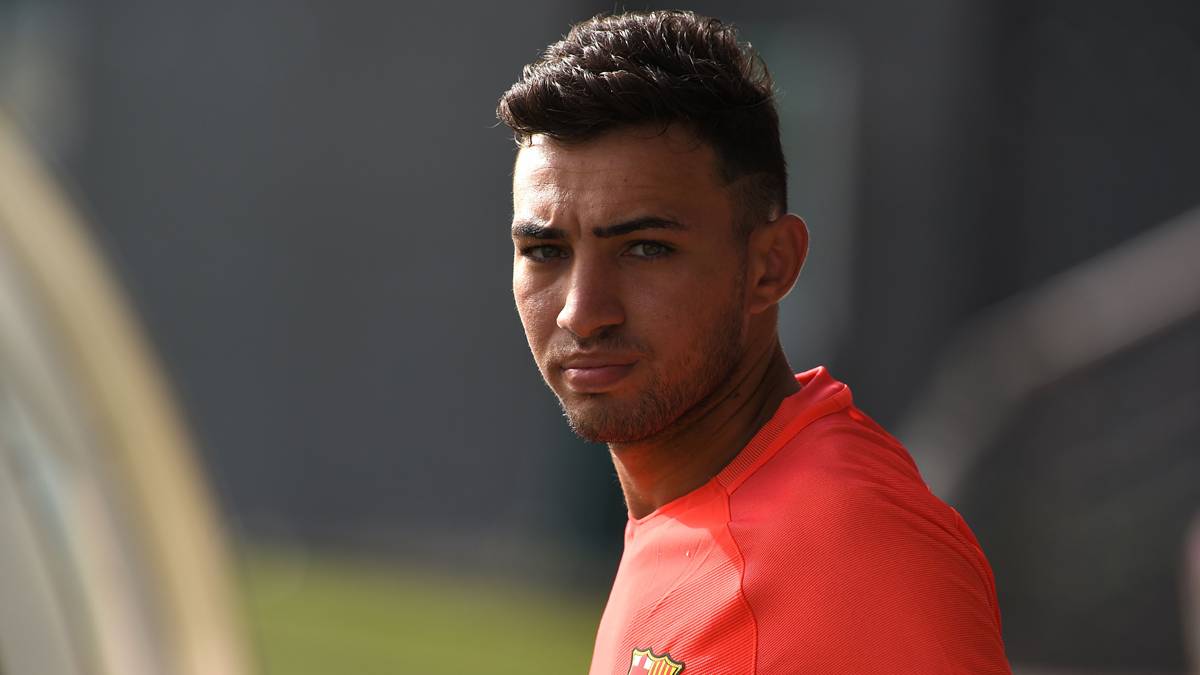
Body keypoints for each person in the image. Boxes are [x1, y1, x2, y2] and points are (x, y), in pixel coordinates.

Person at [497, 10, 1010, 674]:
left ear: (771, 265)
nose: (582, 312)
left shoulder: (852, 552)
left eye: (646, 248)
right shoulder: (686, 512)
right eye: (545, 251)